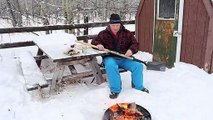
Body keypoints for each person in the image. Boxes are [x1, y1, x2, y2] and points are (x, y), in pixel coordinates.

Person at [91, 13, 149, 99]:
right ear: (109, 25)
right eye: (113, 25)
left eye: (117, 25)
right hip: (110, 58)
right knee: (111, 66)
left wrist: (131, 50)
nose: (115, 27)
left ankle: (138, 87)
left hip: (124, 58)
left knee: (138, 66)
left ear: (120, 24)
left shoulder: (127, 33)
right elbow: (94, 42)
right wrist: (99, 45)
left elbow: (135, 44)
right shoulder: (103, 34)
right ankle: (115, 90)